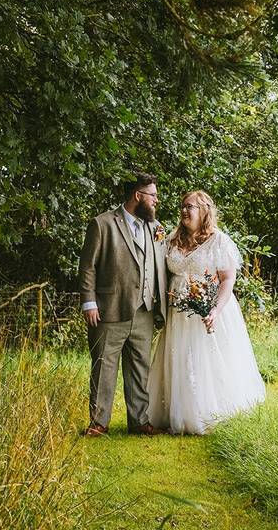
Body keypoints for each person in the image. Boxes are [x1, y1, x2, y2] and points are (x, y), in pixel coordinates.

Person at [147, 190, 265, 435]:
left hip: (210, 309)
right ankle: (176, 412)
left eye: (190, 207)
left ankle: (208, 411)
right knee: (179, 356)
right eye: (182, 206)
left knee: (206, 359)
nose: (184, 211)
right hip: (178, 311)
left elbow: (228, 280)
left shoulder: (219, 241)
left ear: (204, 212)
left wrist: (214, 310)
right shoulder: (172, 240)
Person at [78, 172, 169, 436]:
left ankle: (139, 421)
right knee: (104, 366)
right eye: (153, 195)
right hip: (109, 309)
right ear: (138, 196)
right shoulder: (102, 224)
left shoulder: (156, 228)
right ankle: (98, 423)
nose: (156, 201)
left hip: (145, 311)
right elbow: (87, 268)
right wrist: (89, 303)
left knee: (140, 368)